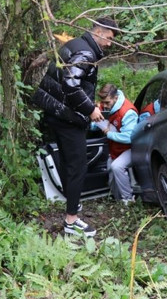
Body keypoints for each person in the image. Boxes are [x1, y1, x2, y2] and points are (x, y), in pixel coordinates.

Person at [31, 17, 118, 237]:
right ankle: (71, 220)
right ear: (98, 31)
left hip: (55, 112)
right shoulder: (86, 54)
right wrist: (91, 109)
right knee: (77, 166)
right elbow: (71, 86)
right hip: (68, 119)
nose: (109, 44)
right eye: (108, 38)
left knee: (70, 162)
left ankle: (73, 203)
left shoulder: (75, 43)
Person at [93, 83, 138, 205]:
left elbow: (129, 137)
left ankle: (129, 200)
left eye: (107, 102)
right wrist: (94, 123)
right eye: (104, 103)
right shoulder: (105, 105)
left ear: (116, 97)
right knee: (111, 171)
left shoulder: (128, 112)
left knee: (117, 166)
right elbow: (96, 125)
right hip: (116, 148)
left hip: (132, 148)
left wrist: (109, 134)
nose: (105, 106)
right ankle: (118, 200)